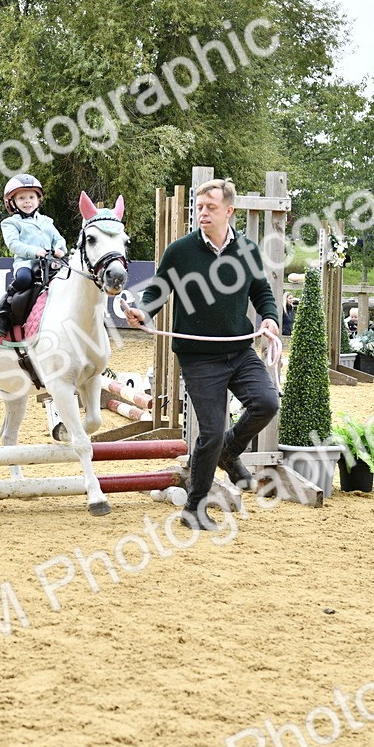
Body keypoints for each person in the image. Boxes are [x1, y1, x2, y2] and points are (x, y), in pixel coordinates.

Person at [125, 178, 281, 530]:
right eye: (199, 207)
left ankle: (229, 450)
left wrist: (270, 318)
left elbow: (262, 293)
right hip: (199, 358)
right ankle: (194, 508)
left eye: (211, 207)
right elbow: (158, 291)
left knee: (267, 403)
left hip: (239, 350)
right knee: (210, 431)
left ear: (229, 211)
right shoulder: (180, 251)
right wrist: (143, 313)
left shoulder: (246, 250)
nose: (202, 213)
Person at [0, 174, 66, 337]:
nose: (28, 201)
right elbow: (13, 244)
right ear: (12, 202)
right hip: (26, 263)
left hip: (50, 262)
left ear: (38, 200)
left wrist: (60, 249)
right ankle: (3, 313)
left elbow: (59, 239)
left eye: (31, 197)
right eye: (22, 198)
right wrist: (34, 251)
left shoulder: (47, 222)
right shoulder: (10, 223)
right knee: (24, 279)